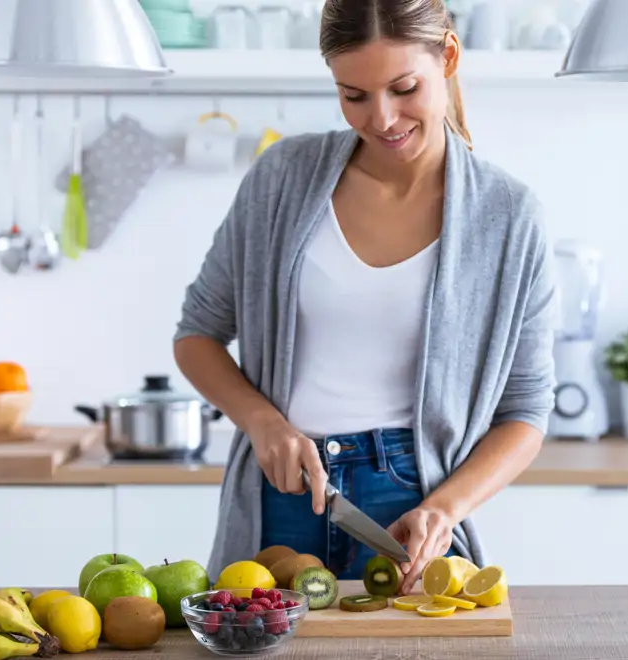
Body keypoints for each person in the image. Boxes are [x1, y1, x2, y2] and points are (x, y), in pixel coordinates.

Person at [172, 0, 557, 596]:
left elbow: (526, 412)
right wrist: (263, 423)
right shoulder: (281, 178)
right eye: (353, 95)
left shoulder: (508, 217)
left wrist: (445, 510)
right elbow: (197, 334)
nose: (381, 118)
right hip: (284, 489)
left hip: (409, 501)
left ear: (448, 57)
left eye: (404, 88)